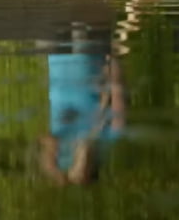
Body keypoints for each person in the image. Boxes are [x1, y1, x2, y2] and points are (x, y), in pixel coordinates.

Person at [37, 30, 127, 185]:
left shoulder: (63, 156)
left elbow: (44, 139)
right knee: (82, 14)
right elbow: (117, 88)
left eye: (76, 171)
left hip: (56, 57)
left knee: (49, 15)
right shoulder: (111, 134)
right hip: (88, 56)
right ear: (93, 169)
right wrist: (112, 57)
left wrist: (58, 176)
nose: (78, 168)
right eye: (83, 172)